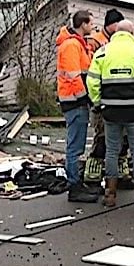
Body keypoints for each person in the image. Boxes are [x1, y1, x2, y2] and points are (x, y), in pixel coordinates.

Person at [87, 19, 134, 208]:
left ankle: (110, 195)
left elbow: (92, 80)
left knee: (111, 151)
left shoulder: (102, 52)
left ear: (115, 33)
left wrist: (97, 103)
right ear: (132, 32)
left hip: (110, 110)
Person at [55, 10, 99, 202]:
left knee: (76, 143)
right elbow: (74, 77)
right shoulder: (72, 45)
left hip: (74, 100)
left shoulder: (78, 45)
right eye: (91, 23)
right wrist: (87, 99)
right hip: (74, 101)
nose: (93, 27)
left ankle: (76, 183)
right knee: (75, 145)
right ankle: (74, 185)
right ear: (83, 24)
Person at [83, 9, 129, 184]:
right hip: (103, 97)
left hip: (120, 97)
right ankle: (94, 171)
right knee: (102, 136)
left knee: (123, 137)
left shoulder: (122, 42)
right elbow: (91, 73)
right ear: (112, 25)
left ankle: (121, 169)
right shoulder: (96, 42)